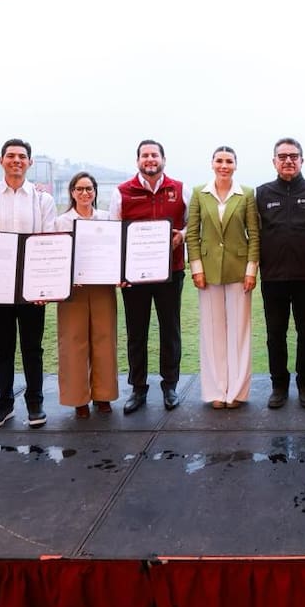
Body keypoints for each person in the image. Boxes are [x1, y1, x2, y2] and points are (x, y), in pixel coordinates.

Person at [0, 138, 57, 428]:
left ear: (30, 162)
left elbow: (47, 244)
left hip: (32, 287)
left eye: (22, 156)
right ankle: (4, 404)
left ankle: (35, 402)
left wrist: (45, 286)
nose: (16, 160)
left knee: (33, 348)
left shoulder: (43, 200)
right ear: (1, 160)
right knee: (3, 348)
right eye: (11, 156)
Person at [110, 139, 188, 414]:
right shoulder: (122, 192)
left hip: (171, 271)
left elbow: (192, 223)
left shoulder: (180, 189)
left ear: (163, 159)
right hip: (135, 275)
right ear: (137, 161)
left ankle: (170, 385)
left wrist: (183, 236)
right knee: (136, 331)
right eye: (145, 155)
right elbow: (114, 233)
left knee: (170, 329)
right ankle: (138, 387)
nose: (150, 159)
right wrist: (119, 272)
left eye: (154, 155)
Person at [187, 146, 260, 408]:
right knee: (212, 332)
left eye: (229, 161)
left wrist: (251, 270)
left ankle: (237, 391)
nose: (224, 165)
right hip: (207, 272)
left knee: (239, 331)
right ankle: (216, 391)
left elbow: (254, 234)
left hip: (240, 271)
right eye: (219, 160)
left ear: (235, 165)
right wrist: (196, 268)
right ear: (212, 163)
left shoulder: (247, 194)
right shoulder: (199, 193)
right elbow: (192, 233)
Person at [256, 137, 305, 409]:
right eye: (282, 156)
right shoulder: (261, 194)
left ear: (302, 160)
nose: (288, 160)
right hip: (273, 278)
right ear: (274, 161)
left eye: (293, 156)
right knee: (275, 334)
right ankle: (279, 386)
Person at [54, 172, 118, 418]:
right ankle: (77, 398)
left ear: (95, 192)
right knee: (73, 342)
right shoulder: (61, 222)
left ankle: (103, 395)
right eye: (79, 189)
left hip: (102, 287)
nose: (84, 193)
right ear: (72, 192)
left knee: (105, 340)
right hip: (72, 290)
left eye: (89, 189)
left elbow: (115, 252)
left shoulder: (107, 219)